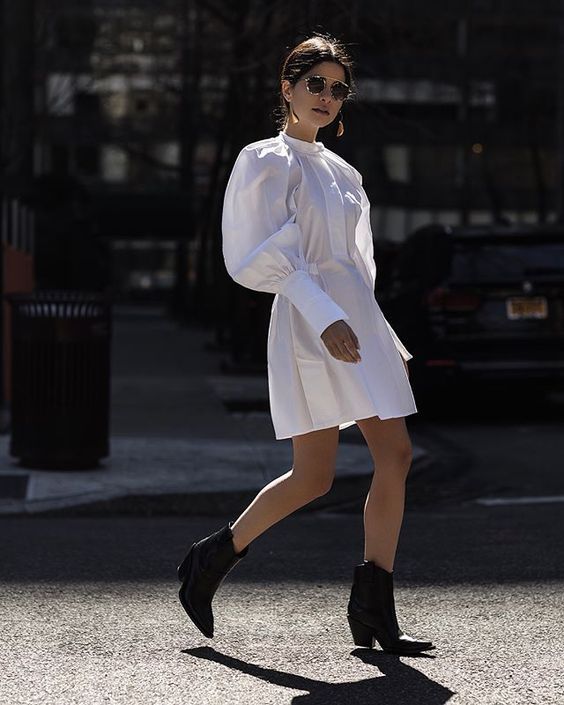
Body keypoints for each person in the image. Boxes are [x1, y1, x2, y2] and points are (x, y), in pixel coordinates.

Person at [177, 33, 435, 655]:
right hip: (308, 322)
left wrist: (379, 333)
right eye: (314, 83)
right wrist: (323, 315)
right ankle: (212, 559)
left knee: (395, 455)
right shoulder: (263, 159)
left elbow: (357, 266)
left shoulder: (345, 172)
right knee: (314, 476)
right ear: (286, 88)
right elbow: (254, 257)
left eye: (337, 88)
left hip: (357, 323)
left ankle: (373, 604)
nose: (326, 96)